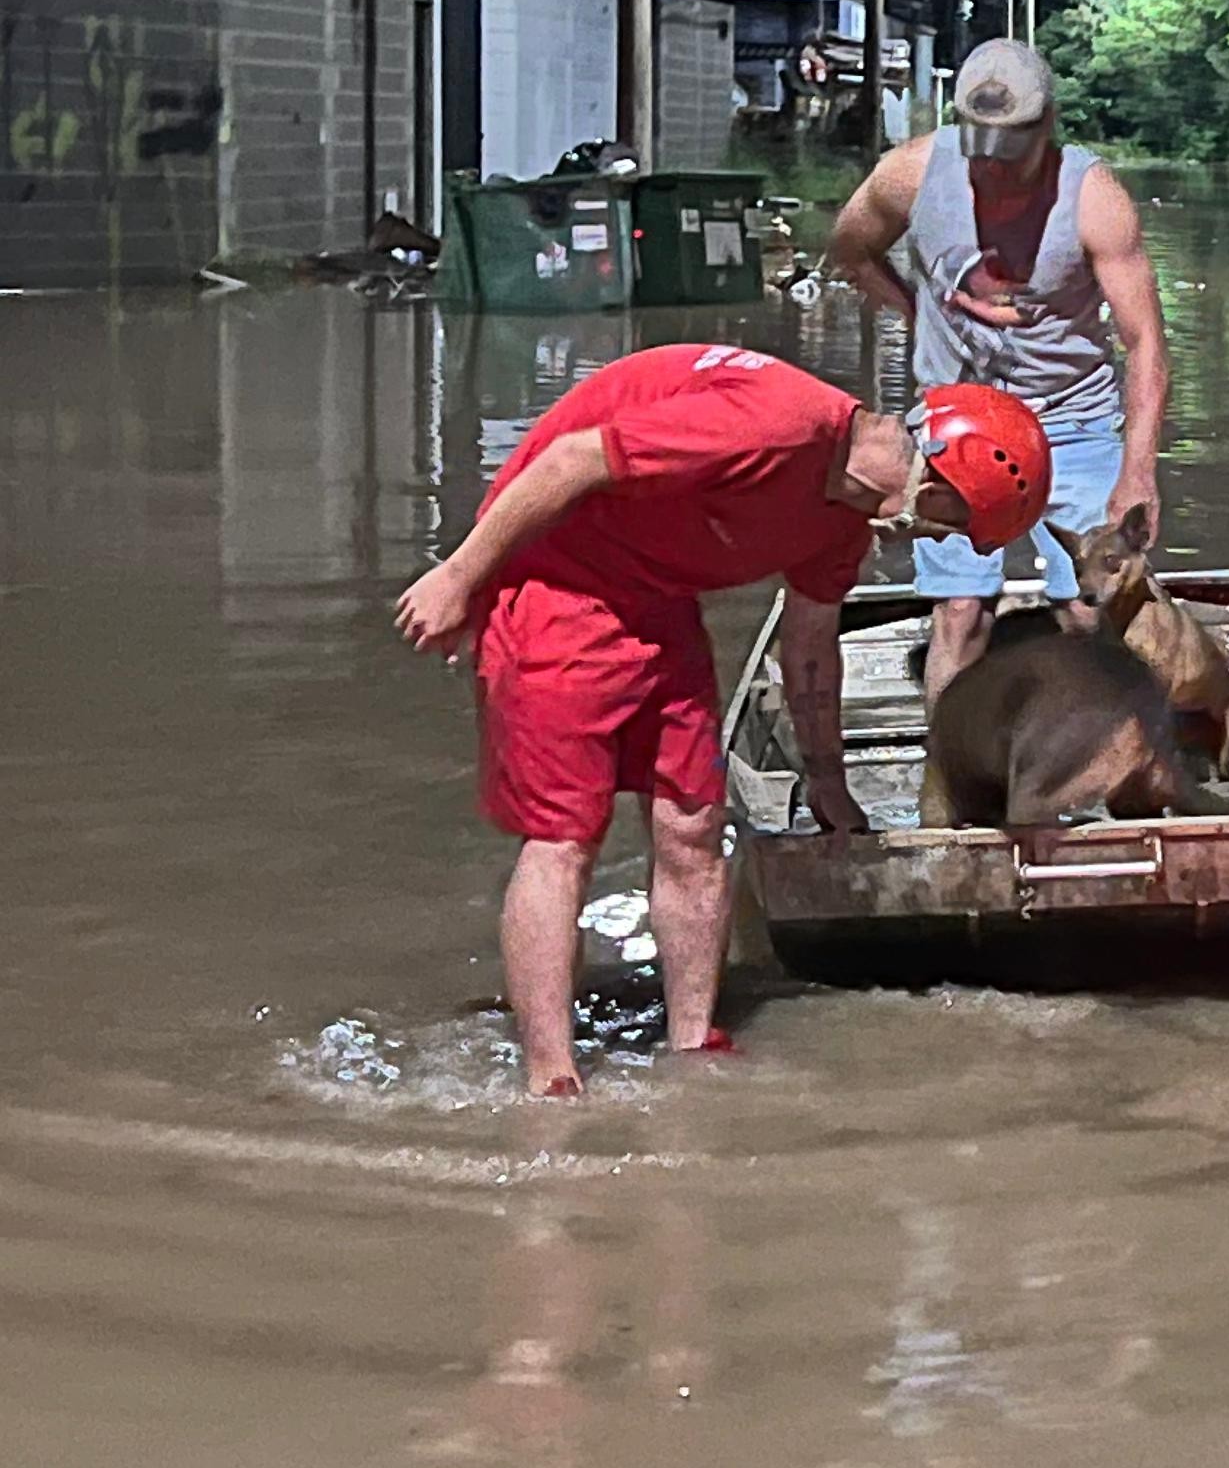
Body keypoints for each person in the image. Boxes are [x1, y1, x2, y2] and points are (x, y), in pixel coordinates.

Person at [395, 346, 1048, 1101]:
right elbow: (571, 458)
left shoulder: (841, 523)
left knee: (694, 825)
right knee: (566, 835)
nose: (939, 540)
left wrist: (828, 780)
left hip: (659, 602)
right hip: (557, 586)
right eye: (954, 523)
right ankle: (552, 1078)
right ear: (939, 476)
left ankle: (693, 1044)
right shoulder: (774, 425)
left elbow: (809, 648)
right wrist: (459, 577)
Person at [824, 36, 1169, 704]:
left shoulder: (1093, 198)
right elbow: (850, 249)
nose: (998, 181)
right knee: (960, 611)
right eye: (985, 163)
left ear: (1048, 127)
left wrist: (1139, 469)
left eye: (1014, 162)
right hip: (959, 421)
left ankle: (1095, 767)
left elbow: (1146, 343)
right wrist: (917, 313)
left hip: (1071, 415)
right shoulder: (912, 172)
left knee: (1088, 609)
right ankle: (947, 783)